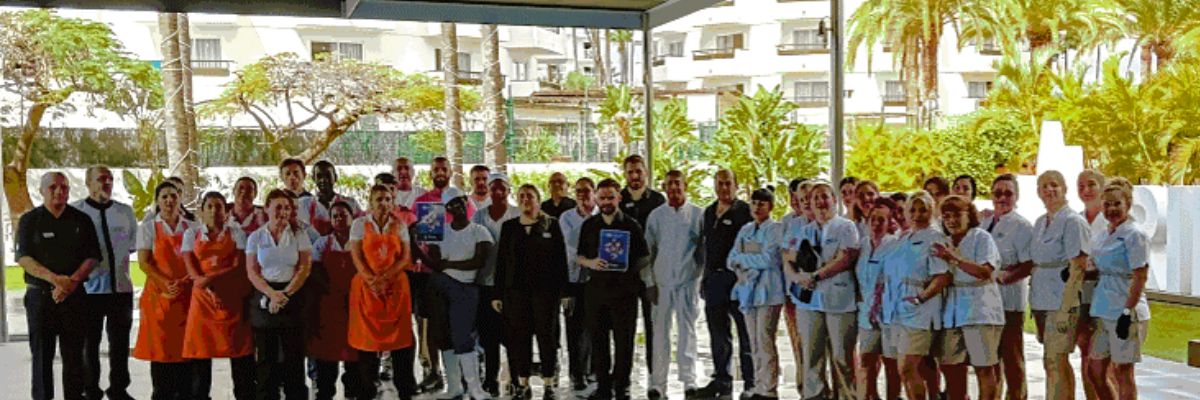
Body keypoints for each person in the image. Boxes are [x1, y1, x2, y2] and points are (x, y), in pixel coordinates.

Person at [18, 172, 101, 400]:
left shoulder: (81, 220)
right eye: (52, 187)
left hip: (74, 297)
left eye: (63, 187)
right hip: (41, 298)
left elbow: (93, 257)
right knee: (42, 356)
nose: (59, 191)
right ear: (41, 191)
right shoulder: (30, 221)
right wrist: (56, 280)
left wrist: (71, 282)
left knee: (74, 357)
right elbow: (24, 258)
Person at [578, 178, 654, 400]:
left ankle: (622, 385)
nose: (606, 202)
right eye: (602, 198)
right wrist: (591, 263)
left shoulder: (631, 225)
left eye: (610, 197)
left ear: (619, 197)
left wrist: (626, 266)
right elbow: (579, 256)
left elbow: (645, 256)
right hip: (597, 292)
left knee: (624, 341)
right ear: (596, 199)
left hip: (624, 293)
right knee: (599, 340)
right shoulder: (589, 226)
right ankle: (603, 386)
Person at [496, 185, 571, 400]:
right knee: (520, 337)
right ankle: (523, 383)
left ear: (538, 199)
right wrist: (497, 294)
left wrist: (564, 292)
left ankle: (549, 382)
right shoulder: (509, 227)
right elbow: (501, 262)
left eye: (530, 196)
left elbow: (560, 260)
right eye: (521, 196)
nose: (525, 199)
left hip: (546, 293)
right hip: (516, 293)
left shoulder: (551, 225)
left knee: (547, 337)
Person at [182, 191, 256, 400]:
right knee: (200, 361)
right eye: (209, 207)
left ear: (226, 211)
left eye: (219, 207)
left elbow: (238, 266)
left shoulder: (237, 233)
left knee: (241, 359)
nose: (214, 211)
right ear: (202, 211)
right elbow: (191, 268)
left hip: (232, 300)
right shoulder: (191, 234)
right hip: (202, 302)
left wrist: (210, 279)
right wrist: (205, 284)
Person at [790, 181, 860, 400]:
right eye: (815, 198)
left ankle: (847, 396)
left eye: (825, 197)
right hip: (810, 301)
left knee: (841, 356)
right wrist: (798, 277)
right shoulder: (805, 230)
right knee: (812, 355)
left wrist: (816, 276)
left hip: (840, 299)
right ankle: (815, 395)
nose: (821, 202)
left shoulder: (846, 227)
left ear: (834, 200)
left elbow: (845, 258)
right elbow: (792, 258)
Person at [73, 166, 138, 400]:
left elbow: (132, 246)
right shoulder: (76, 212)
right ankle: (90, 389)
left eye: (110, 179)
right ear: (88, 183)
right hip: (88, 290)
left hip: (120, 288)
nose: (106, 183)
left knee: (119, 344)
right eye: (101, 179)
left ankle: (119, 389)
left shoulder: (124, 212)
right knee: (89, 344)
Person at [412, 157, 475, 393]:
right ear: (430, 173)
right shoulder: (421, 201)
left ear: (450, 172)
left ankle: (464, 376)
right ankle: (434, 372)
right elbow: (415, 233)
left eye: (443, 169)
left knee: (459, 325)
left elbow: (470, 229)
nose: (439, 172)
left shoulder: (462, 200)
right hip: (429, 272)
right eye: (435, 169)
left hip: (457, 272)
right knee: (430, 325)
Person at [133, 181, 202, 400]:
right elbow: (144, 263)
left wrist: (185, 281)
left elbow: (199, 260)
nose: (169, 200)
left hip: (187, 299)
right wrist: (165, 284)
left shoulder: (193, 227)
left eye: (173, 195)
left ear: (180, 198)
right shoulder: (147, 228)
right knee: (161, 355)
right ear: (157, 201)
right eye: (164, 196)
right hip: (159, 300)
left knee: (187, 355)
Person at [880, 191, 951, 400]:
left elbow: (942, 276)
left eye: (923, 210)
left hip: (920, 310)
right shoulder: (905, 237)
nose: (917, 215)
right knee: (907, 369)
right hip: (898, 308)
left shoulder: (934, 237)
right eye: (913, 210)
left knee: (907, 367)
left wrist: (921, 298)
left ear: (931, 211)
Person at [348, 185, 417, 400]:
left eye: (388, 199)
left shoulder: (400, 225)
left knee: (402, 342)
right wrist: (371, 280)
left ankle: (405, 389)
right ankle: (367, 389)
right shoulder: (359, 224)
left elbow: (405, 257)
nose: (384, 203)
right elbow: (357, 256)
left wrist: (385, 278)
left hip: (395, 289)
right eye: (379, 199)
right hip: (367, 289)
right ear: (370, 201)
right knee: (367, 343)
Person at [693, 169, 755, 400]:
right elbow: (706, 247)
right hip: (714, 281)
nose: (724, 188)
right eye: (720, 183)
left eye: (728, 183)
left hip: (737, 280)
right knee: (718, 334)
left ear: (736, 186)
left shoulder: (745, 212)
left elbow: (753, 246)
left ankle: (751, 383)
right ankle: (722, 380)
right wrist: (705, 278)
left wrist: (744, 274)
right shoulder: (709, 212)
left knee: (745, 334)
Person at [933, 196, 1004, 400]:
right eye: (947, 216)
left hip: (980, 309)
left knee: (983, 367)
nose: (952, 220)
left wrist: (955, 258)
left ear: (969, 215)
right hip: (952, 311)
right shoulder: (944, 241)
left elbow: (985, 271)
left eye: (957, 215)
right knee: (950, 366)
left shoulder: (982, 238)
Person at [246, 189, 314, 399]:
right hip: (265, 295)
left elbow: (305, 267)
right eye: (278, 207)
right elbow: (252, 271)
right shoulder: (256, 236)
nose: (283, 212)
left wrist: (285, 293)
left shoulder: (299, 234)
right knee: (266, 359)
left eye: (286, 208)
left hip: (292, 294)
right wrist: (271, 294)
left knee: (293, 358)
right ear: (266, 208)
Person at [1086, 179, 1150, 400]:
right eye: (1107, 204)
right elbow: (1096, 266)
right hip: (1103, 308)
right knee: (1094, 370)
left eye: (1117, 204)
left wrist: (1126, 311)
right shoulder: (1102, 236)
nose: (1112, 209)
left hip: (1125, 310)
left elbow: (1140, 275)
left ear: (1128, 205)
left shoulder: (1135, 235)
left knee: (1123, 372)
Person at [644, 170, 705, 399]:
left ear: (685, 185)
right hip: (661, 283)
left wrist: (699, 278)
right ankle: (658, 383)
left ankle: (689, 381)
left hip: (688, 282)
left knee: (687, 333)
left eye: (677, 183)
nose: (674, 188)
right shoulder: (656, 216)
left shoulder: (698, 214)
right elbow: (648, 251)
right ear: (664, 187)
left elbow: (703, 250)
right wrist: (649, 282)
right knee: (660, 333)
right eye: (669, 184)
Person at [1030, 170, 1091, 400]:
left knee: (1056, 358)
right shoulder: (1040, 223)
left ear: (1064, 189)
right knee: (1050, 360)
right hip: (1041, 300)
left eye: (1054, 185)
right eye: (1044, 186)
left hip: (1062, 300)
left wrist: (1066, 309)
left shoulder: (1073, 221)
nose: (1049, 190)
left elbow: (1078, 267)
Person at [426, 195, 493, 400]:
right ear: (446, 209)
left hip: (465, 287)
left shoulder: (479, 230)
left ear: (466, 202)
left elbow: (480, 261)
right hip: (440, 286)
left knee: (463, 336)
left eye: (459, 202)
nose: (457, 207)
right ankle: (454, 387)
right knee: (444, 336)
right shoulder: (441, 231)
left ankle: (475, 388)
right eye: (451, 205)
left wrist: (449, 265)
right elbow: (434, 262)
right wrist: (415, 241)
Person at [728, 188, 785, 400]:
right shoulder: (746, 229)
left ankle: (769, 389)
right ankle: (758, 384)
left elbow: (769, 259)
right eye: (754, 203)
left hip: (768, 292)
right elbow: (731, 258)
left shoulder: (775, 229)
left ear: (770, 206)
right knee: (752, 341)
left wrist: (744, 259)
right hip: (747, 292)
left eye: (762, 203)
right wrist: (748, 259)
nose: (757, 207)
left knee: (765, 340)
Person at [982, 174, 1034, 400]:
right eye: (997, 193)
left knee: (1012, 359)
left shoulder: (1022, 226)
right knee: (990, 359)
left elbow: (1029, 264)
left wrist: (1006, 277)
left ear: (1017, 196)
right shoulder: (985, 223)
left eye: (1008, 193)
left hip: (1009, 301)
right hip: (985, 302)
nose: (1002, 198)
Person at [471, 172, 522, 396]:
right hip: (485, 283)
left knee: (513, 334)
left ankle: (516, 378)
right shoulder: (479, 216)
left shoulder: (517, 214)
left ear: (509, 191)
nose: (498, 192)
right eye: (494, 188)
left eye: (502, 188)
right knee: (488, 335)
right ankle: (490, 379)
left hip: (512, 285)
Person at [306, 202, 363, 400]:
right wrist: (332, 290)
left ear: (352, 217)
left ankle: (353, 392)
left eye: (343, 215)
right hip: (329, 308)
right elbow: (313, 272)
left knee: (355, 354)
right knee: (326, 354)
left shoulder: (361, 242)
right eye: (335, 216)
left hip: (355, 306)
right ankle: (325, 393)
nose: (339, 219)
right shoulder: (322, 243)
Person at [617, 155, 665, 383]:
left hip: (652, 274)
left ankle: (655, 375)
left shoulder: (657, 200)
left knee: (653, 326)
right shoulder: (618, 198)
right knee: (624, 328)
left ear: (645, 172)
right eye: (630, 172)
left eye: (638, 171)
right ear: (625, 174)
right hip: (625, 276)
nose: (635, 176)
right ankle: (622, 376)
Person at [855, 198, 901, 400]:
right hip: (866, 310)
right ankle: (870, 396)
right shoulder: (862, 245)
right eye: (872, 219)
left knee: (891, 362)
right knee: (867, 359)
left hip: (889, 312)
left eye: (881, 220)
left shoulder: (895, 245)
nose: (876, 223)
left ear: (889, 222)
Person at [558, 177, 600, 392]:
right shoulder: (566, 218)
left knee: (596, 326)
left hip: (597, 280)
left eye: (586, 191)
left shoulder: (601, 215)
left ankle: (594, 369)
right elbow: (567, 248)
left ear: (594, 192)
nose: (583, 195)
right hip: (573, 279)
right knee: (574, 328)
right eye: (578, 191)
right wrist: (586, 258)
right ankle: (577, 373)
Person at [1076, 169, 1113, 400]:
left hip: (1106, 294)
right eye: (1081, 186)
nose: (1086, 190)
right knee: (1085, 353)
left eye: (1091, 185)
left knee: (1106, 361)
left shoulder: (1111, 221)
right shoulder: (1076, 220)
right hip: (1082, 293)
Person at [777, 179, 810, 395]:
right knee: (798, 342)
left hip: (818, 292)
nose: (799, 201)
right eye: (796, 197)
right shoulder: (788, 222)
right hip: (793, 292)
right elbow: (785, 255)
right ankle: (803, 384)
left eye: (805, 198)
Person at [299, 160, 364, 236]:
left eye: (328, 175)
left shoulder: (351, 203)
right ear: (313, 178)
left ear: (335, 177)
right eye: (319, 176)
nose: (323, 180)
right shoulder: (304, 204)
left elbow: (361, 228)